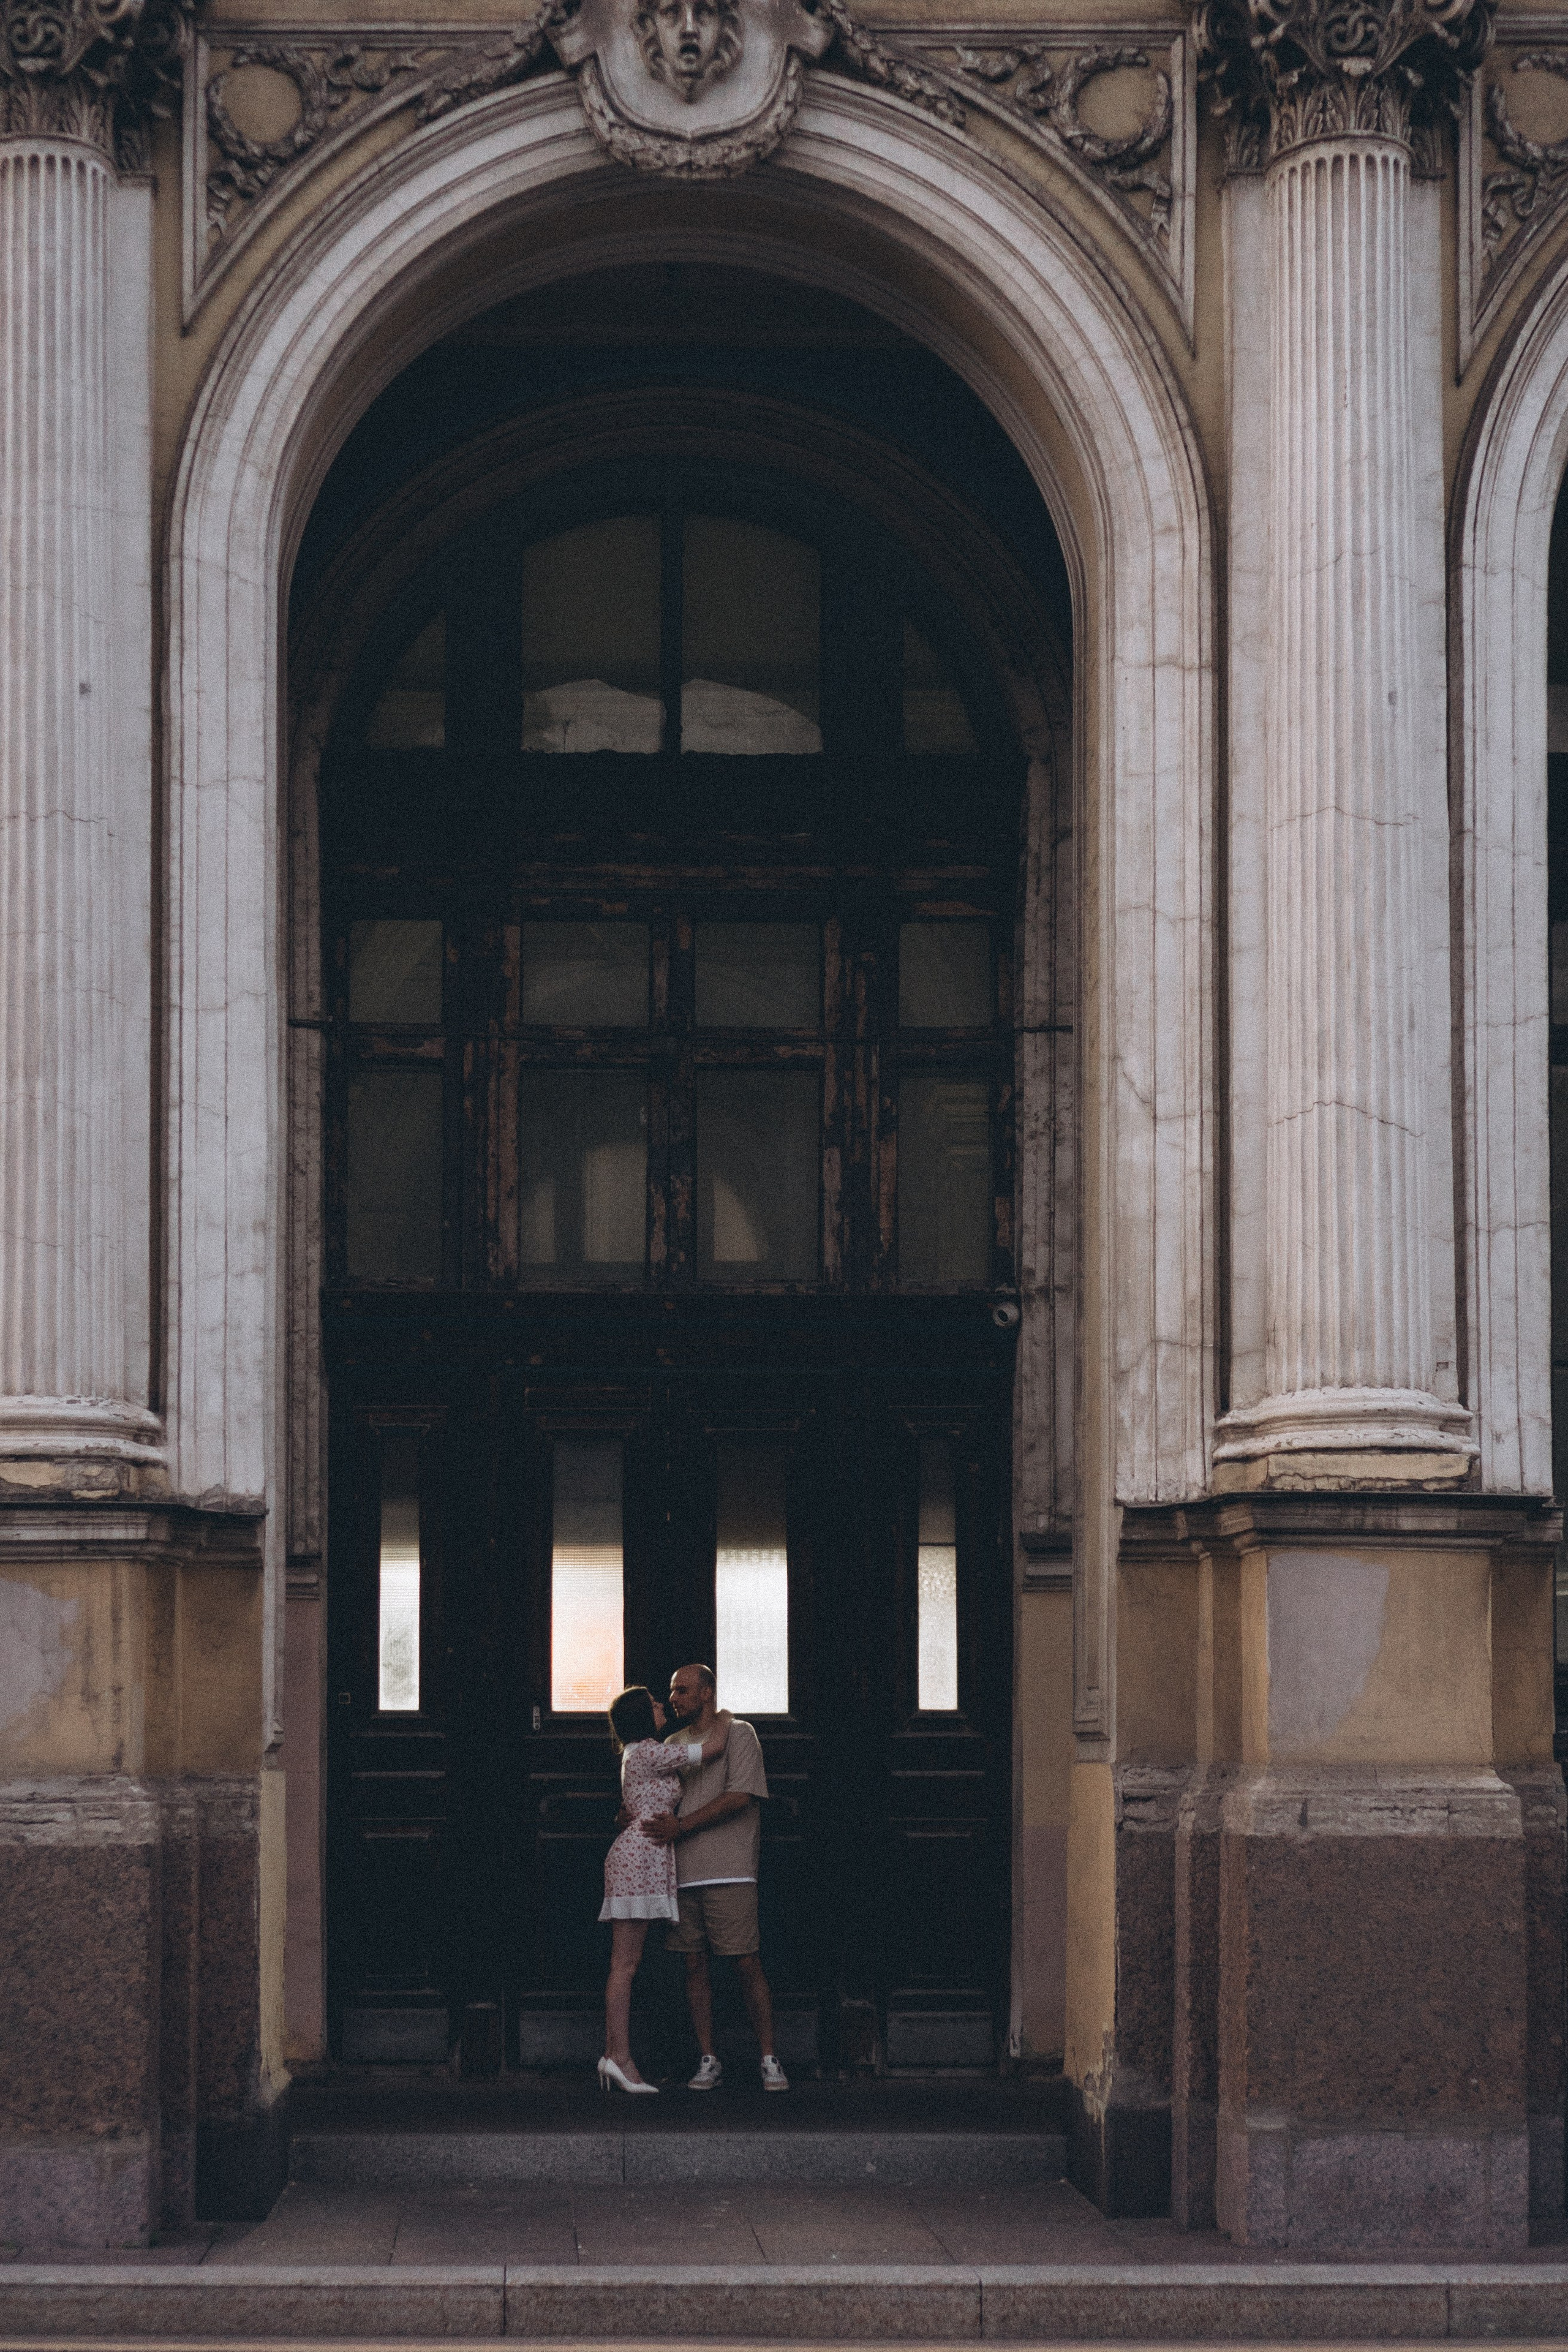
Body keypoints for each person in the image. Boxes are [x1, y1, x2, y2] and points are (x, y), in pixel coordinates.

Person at [643, 1661, 788, 2092]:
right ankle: (709, 2058)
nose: (674, 1698)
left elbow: (739, 1797)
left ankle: (768, 2057)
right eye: (672, 1691)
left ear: (707, 1693)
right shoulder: (672, 1742)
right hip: (683, 1871)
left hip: (731, 1869)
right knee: (693, 1964)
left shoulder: (740, 1733)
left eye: (683, 1690)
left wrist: (682, 1826)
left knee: (746, 1961)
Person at [598, 1684, 730, 2094]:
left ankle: (615, 2056)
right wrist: (721, 1714)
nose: (662, 1706)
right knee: (625, 1966)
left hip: (642, 1857)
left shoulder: (639, 1753)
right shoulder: (649, 1751)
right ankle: (618, 2058)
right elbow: (712, 1748)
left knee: (629, 1964)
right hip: (638, 1860)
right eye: (655, 1704)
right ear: (641, 1716)